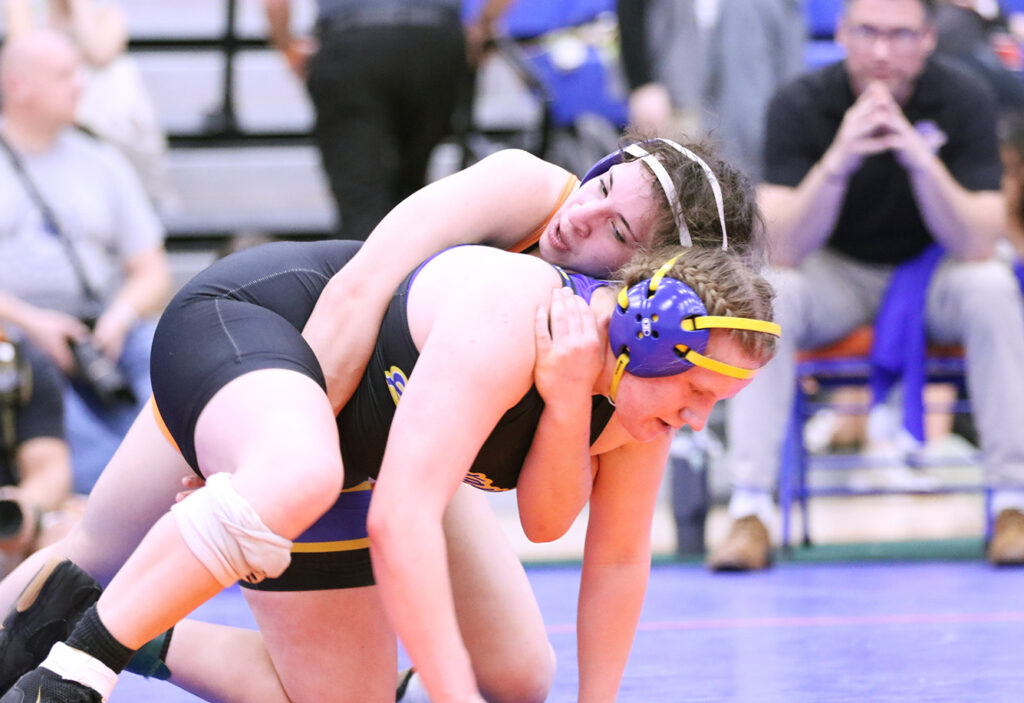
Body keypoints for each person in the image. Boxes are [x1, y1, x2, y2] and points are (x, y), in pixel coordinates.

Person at [0, 131, 769, 701]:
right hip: (286, 336)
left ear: (663, 283)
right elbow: (358, 291)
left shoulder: (641, 376)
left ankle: (146, 628)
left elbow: (556, 526)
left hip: (386, 430)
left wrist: (570, 404)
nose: (581, 217)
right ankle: (82, 660)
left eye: (620, 233)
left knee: (519, 673)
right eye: (603, 186)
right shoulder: (528, 200)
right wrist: (238, 462)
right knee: (118, 538)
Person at [707, 0, 1024, 572]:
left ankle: (1012, 503)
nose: (882, 51)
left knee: (993, 286)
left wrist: (917, 157)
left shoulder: (965, 99)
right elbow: (783, 246)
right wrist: (841, 158)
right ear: (844, 34)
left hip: (935, 274)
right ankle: (750, 508)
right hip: (838, 273)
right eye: (868, 33)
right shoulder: (800, 103)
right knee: (767, 293)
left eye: (900, 34)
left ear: (928, 38)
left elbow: (979, 240)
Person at [0, 30, 172, 494]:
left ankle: (170, 478)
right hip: (17, 334)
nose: (79, 85)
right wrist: (32, 323)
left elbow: (151, 270)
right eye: (64, 75)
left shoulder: (102, 161)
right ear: (18, 85)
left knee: (169, 346)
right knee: (33, 374)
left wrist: (120, 316)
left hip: (103, 331)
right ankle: (117, 499)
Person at [263, 0, 512, 241]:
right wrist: (484, 26)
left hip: (351, 41)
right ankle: (414, 273)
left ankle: (365, 270)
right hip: (436, 39)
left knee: (361, 196)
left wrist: (286, 45)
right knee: (412, 184)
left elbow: (275, 3)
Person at [5, 0, 176, 211]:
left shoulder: (107, 13)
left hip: (107, 124)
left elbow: (100, 53)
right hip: (46, 116)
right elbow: (24, 63)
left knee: (118, 75)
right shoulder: (23, 10)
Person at [0, 330, 85, 576]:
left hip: (9, 537)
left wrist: (25, 509)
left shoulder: (20, 365)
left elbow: (49, 468)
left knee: (74, 537)